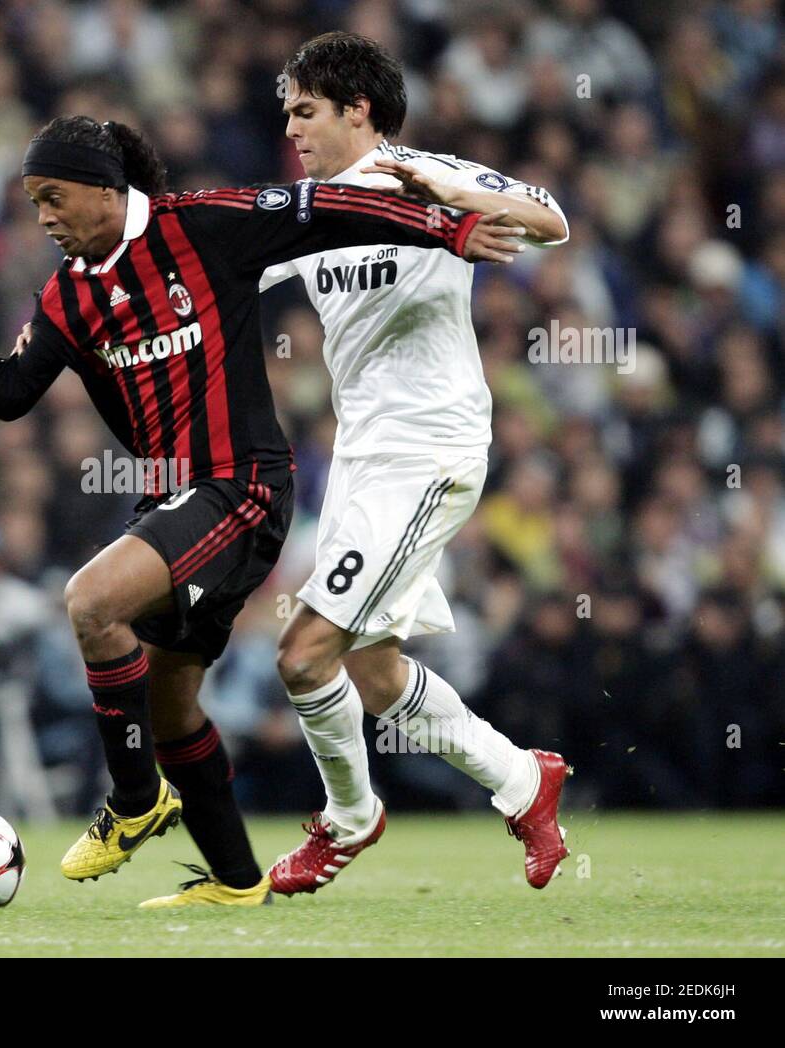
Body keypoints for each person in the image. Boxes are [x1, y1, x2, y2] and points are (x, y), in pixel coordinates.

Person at [0, 114, 524, 907]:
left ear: (105, 188)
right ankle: (236, 883)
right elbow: (12, 392)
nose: (43, 218)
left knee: (91, 602)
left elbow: (325, 207)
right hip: (176, 501)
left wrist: (447, 225)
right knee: (170, 709)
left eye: (53, 198)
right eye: (33, 204)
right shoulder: (68, 297)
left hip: (244, 487)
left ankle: (134, 802)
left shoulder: (203, 227)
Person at [262, 32, 573, 894]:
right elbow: (215, 272)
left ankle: (350, 819)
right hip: (364, 461)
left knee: (302, 654)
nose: (292, 128)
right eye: (288, 112)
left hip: (429, 451)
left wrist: (448, 190)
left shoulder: (426, 179)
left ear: (358, 110)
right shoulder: (308, 208)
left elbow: (551, 217)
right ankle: (522, 780)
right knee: (371, 666)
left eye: (306, 111)